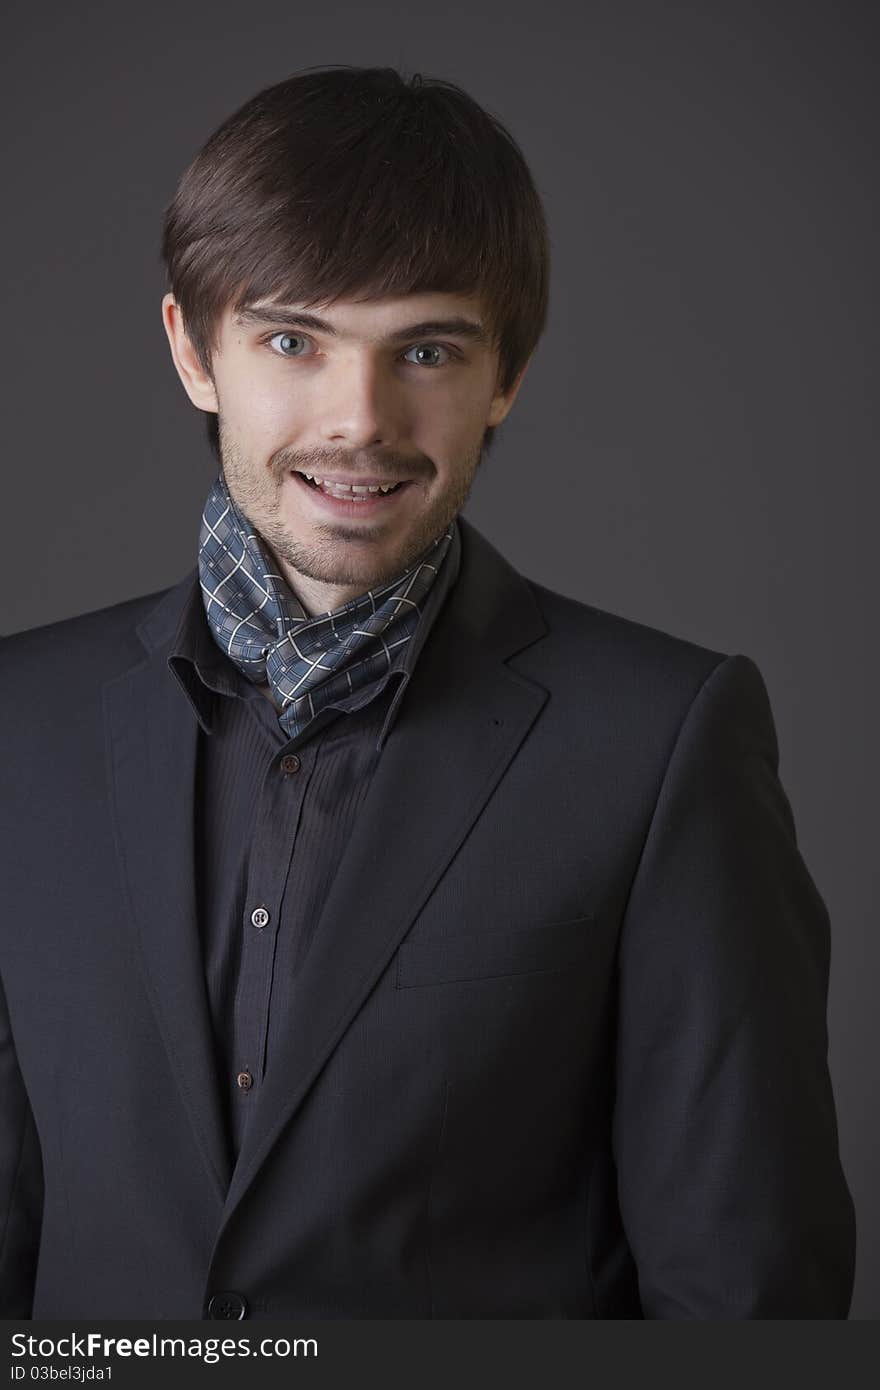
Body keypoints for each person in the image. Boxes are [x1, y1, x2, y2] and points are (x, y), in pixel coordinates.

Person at [0, 64, 855, 1320]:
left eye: (430, 350)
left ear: (503, 373)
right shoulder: (21, 724)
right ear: (194, 350)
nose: (362, 419)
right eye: (292, 339)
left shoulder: (663, 740)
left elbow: (747, 1295)